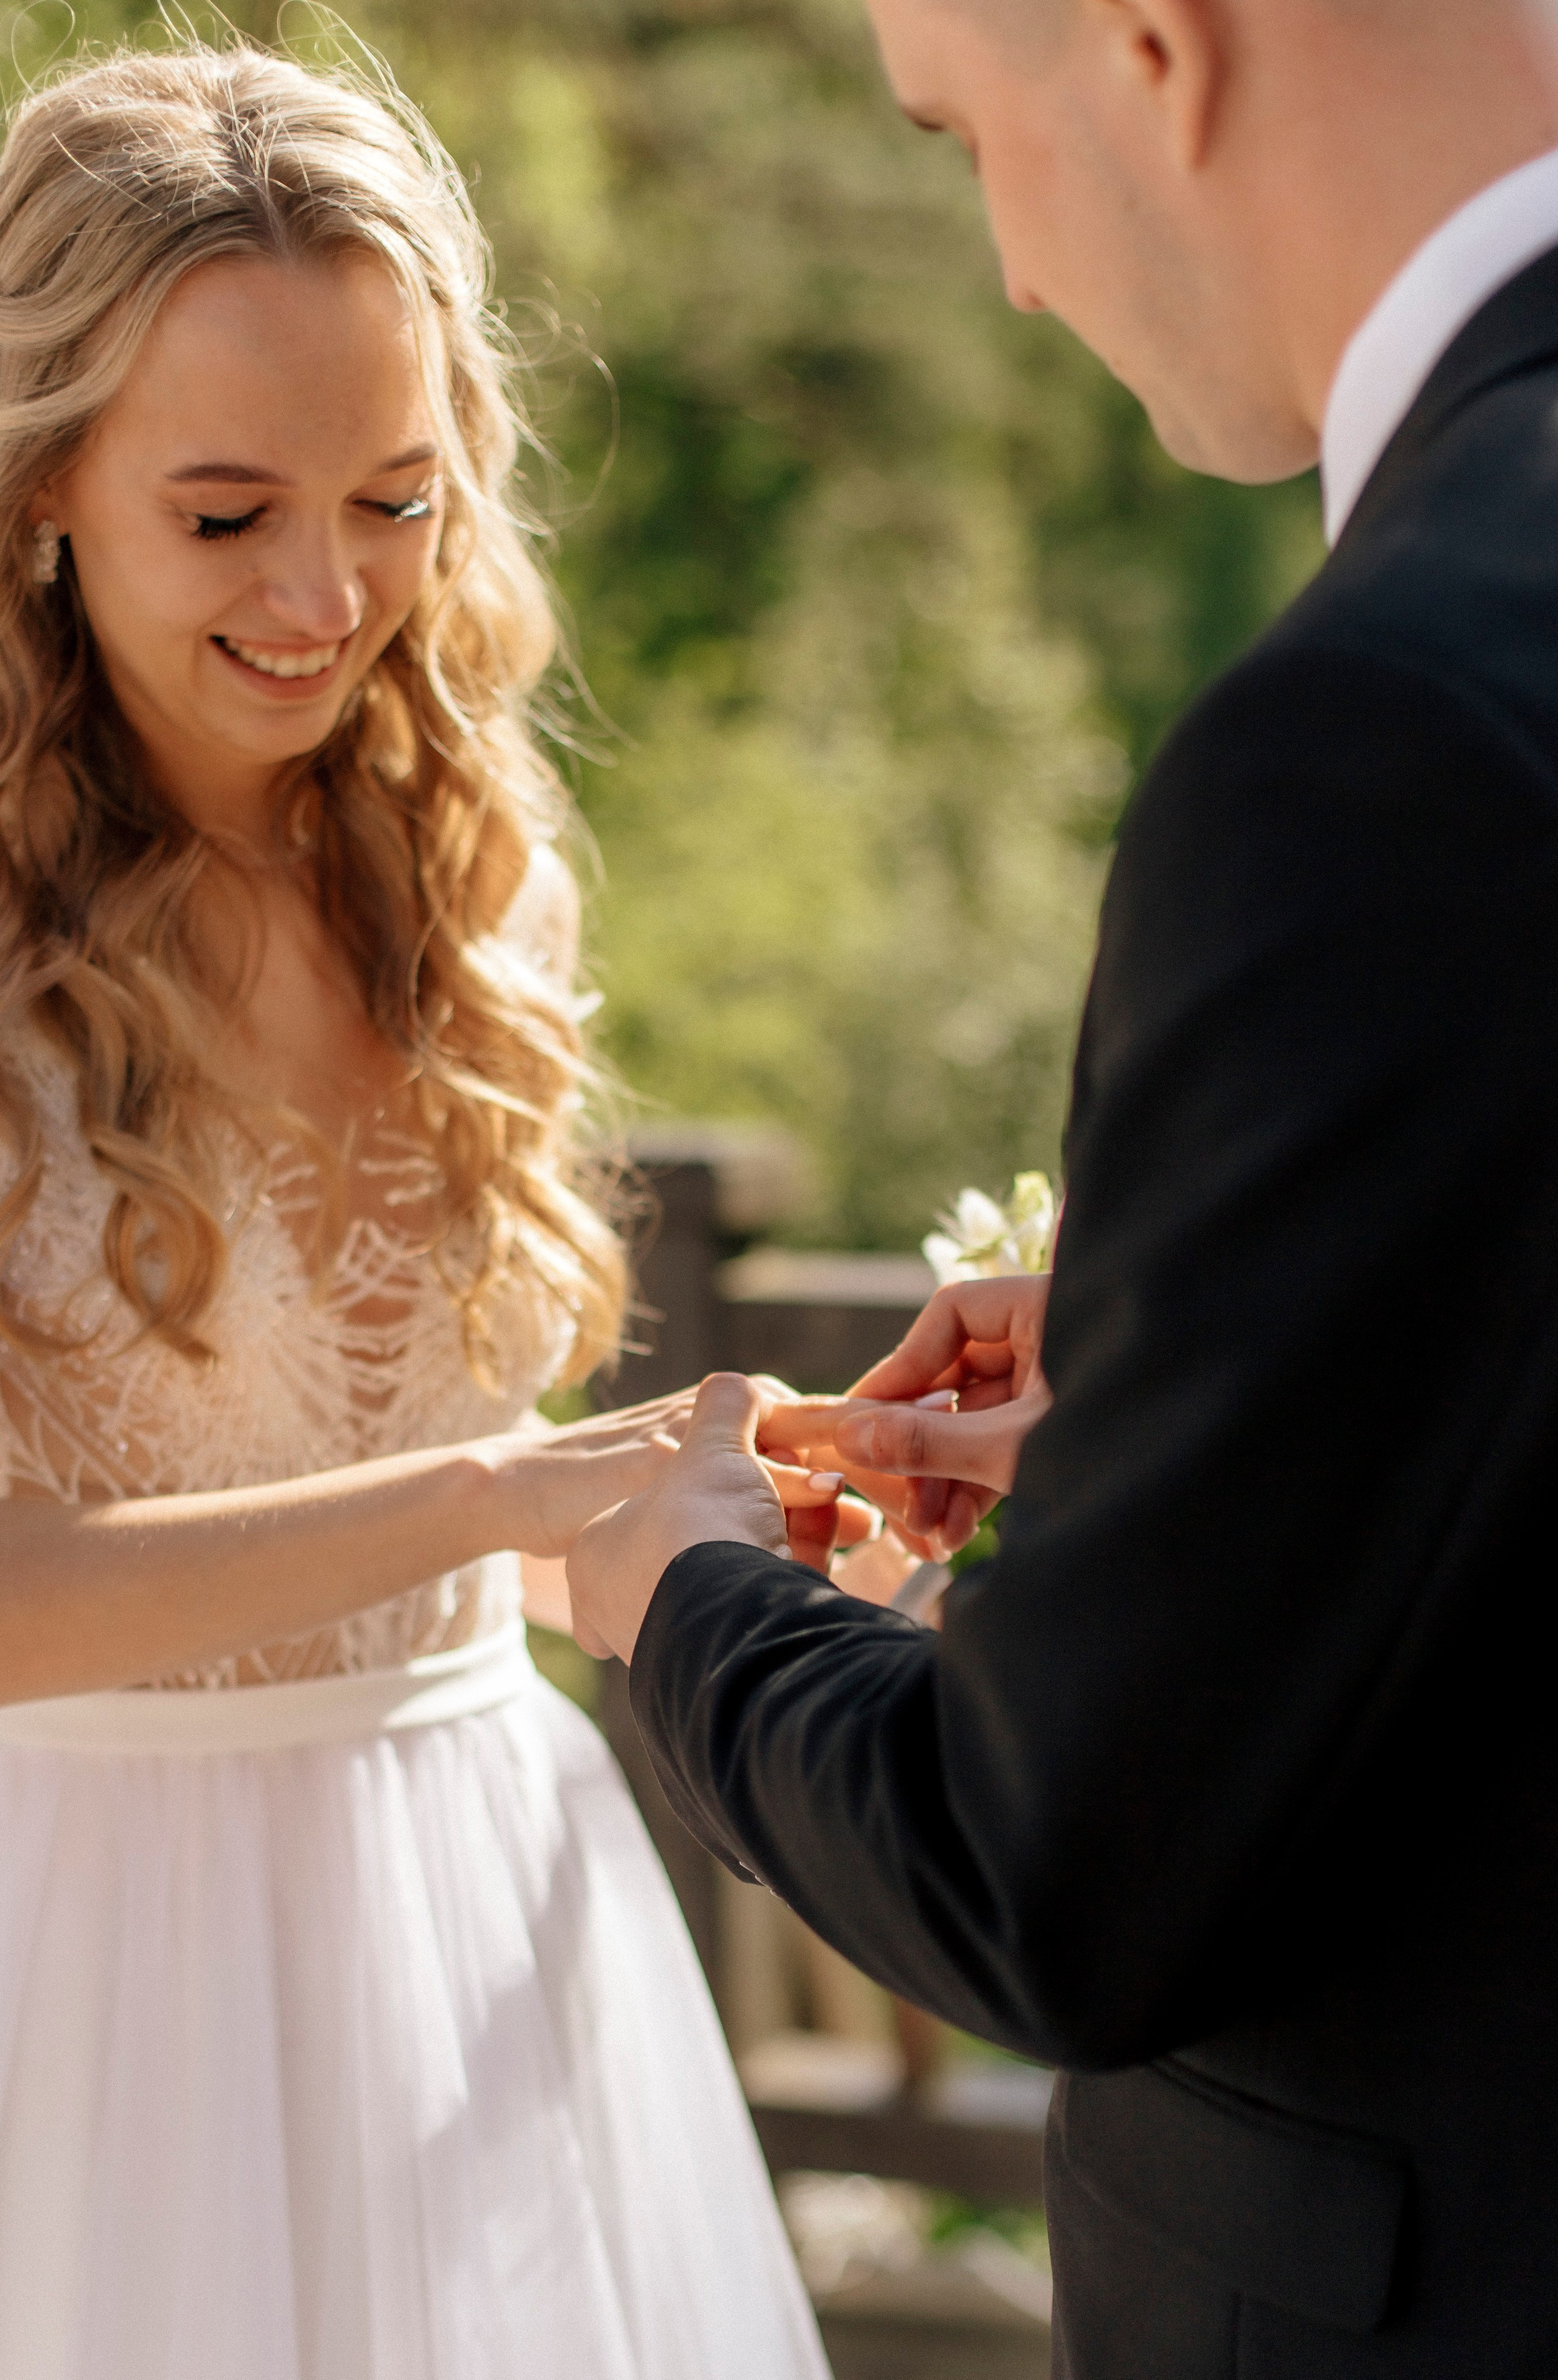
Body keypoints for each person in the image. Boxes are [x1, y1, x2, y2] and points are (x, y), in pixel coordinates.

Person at [567, 0, 1558, 2371]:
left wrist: (675, 1599)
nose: (1014, 274)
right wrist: (1232, 1369)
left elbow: (1051, 1873)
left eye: (963, 139)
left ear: (1150, 43)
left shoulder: (1383, 722)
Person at [0, 41, 838, 2379]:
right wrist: (483, 1488)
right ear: (51, 473)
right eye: (228, 509)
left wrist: (746, 1495)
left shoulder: (475, 891)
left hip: (493, 1914)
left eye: (394, 494)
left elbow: (521, 1523)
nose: (324, 593)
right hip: (85, 1988)